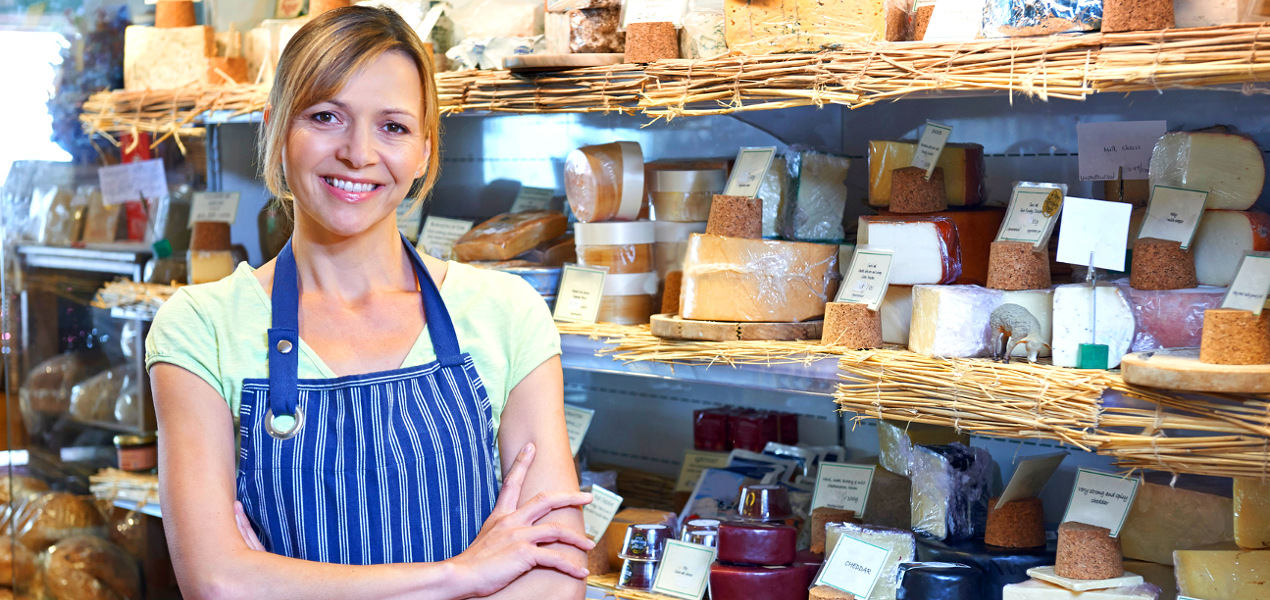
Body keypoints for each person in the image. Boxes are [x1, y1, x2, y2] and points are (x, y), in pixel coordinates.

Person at [145, 6, 593, 599]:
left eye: (394, 127)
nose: (358, 153)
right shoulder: (200, 327)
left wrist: (286, 584)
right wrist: (461, 576)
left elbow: (554, 579)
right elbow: (219, 582)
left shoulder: (506, 312)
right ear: (276, 127)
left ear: (426, 151)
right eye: (326, 117)